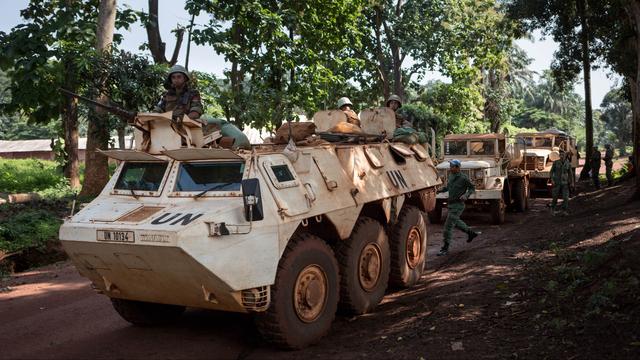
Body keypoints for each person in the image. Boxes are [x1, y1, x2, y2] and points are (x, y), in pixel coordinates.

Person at [437, 159, 480, 256]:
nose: (450, 168)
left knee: (448, 227)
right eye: (450, 166)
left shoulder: (463, 178)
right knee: (456, 222)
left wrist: (466, 195)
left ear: (457, 167)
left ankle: (445, 248)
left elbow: (472, 188)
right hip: (451, 204)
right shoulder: (451, 176)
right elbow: (448, 187)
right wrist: (440, 190)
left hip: (458, 205)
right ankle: (471, 233)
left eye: (452, 166)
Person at [550, 150, 572, 215]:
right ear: (559, 156)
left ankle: (564, 210)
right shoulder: (556, 163)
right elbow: (551, 172)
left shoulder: (568, 163)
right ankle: (553, 210)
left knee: (566, 198)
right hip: (557, 182)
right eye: (560, 155)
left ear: (565, 155)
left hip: (565, 182)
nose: (561, 156)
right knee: (555, 197)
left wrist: (572, 182)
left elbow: (570, 173)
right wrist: (552, 179)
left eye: (563, 155)